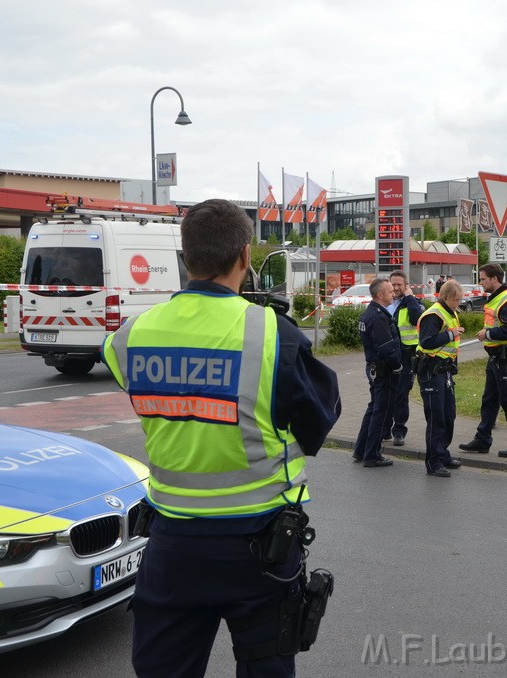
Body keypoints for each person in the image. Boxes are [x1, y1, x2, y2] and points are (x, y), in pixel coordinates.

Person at [102, 198, 341, 677]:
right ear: (245, 256)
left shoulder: (130, 337)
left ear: (186, 257)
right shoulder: (275, 335)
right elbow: (320, 421)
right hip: (261, 547)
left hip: (172, 544)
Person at [459, 263, 507, 458]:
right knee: (489, 400)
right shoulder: (498, 297)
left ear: (494, 279)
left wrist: (488, 333)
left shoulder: (506, 299)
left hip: (506, 356)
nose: (480, 283)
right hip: (497, 357)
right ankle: (482, 439)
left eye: (482, 279)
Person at [415, 279, 466, 477]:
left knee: (448, 415)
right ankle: (433, 462)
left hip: (444, 371)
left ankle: (442, 452)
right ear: (444, 297)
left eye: (460, 300)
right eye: (455, 300)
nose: (458, 304)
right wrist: (451, 335)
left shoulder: (450, 312)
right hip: (431, 371)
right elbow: (426, 342)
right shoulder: (433, 315)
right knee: (436, 417)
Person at [353, 277, 401, 468]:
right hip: (384, 370)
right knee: (382, 412)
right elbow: (386, 348)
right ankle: (372, 454)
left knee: (373, 408)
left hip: (374, 368)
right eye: (390, 291)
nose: (393, 293)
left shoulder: (370, 313)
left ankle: (361, 449)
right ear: (380, 295)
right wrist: (398, 365)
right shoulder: (379, 317)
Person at [383, 270, 424, 446]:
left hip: (405, 357)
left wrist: (409, 298)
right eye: (394, 284)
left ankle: (399, 430)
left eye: (400, 284)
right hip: (386, 357)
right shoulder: (383, 302)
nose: (397, 287)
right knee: (384, 394)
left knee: (401, 395)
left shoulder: (413, 303)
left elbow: (417, 320)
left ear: (407, 286)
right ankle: (384, 430)